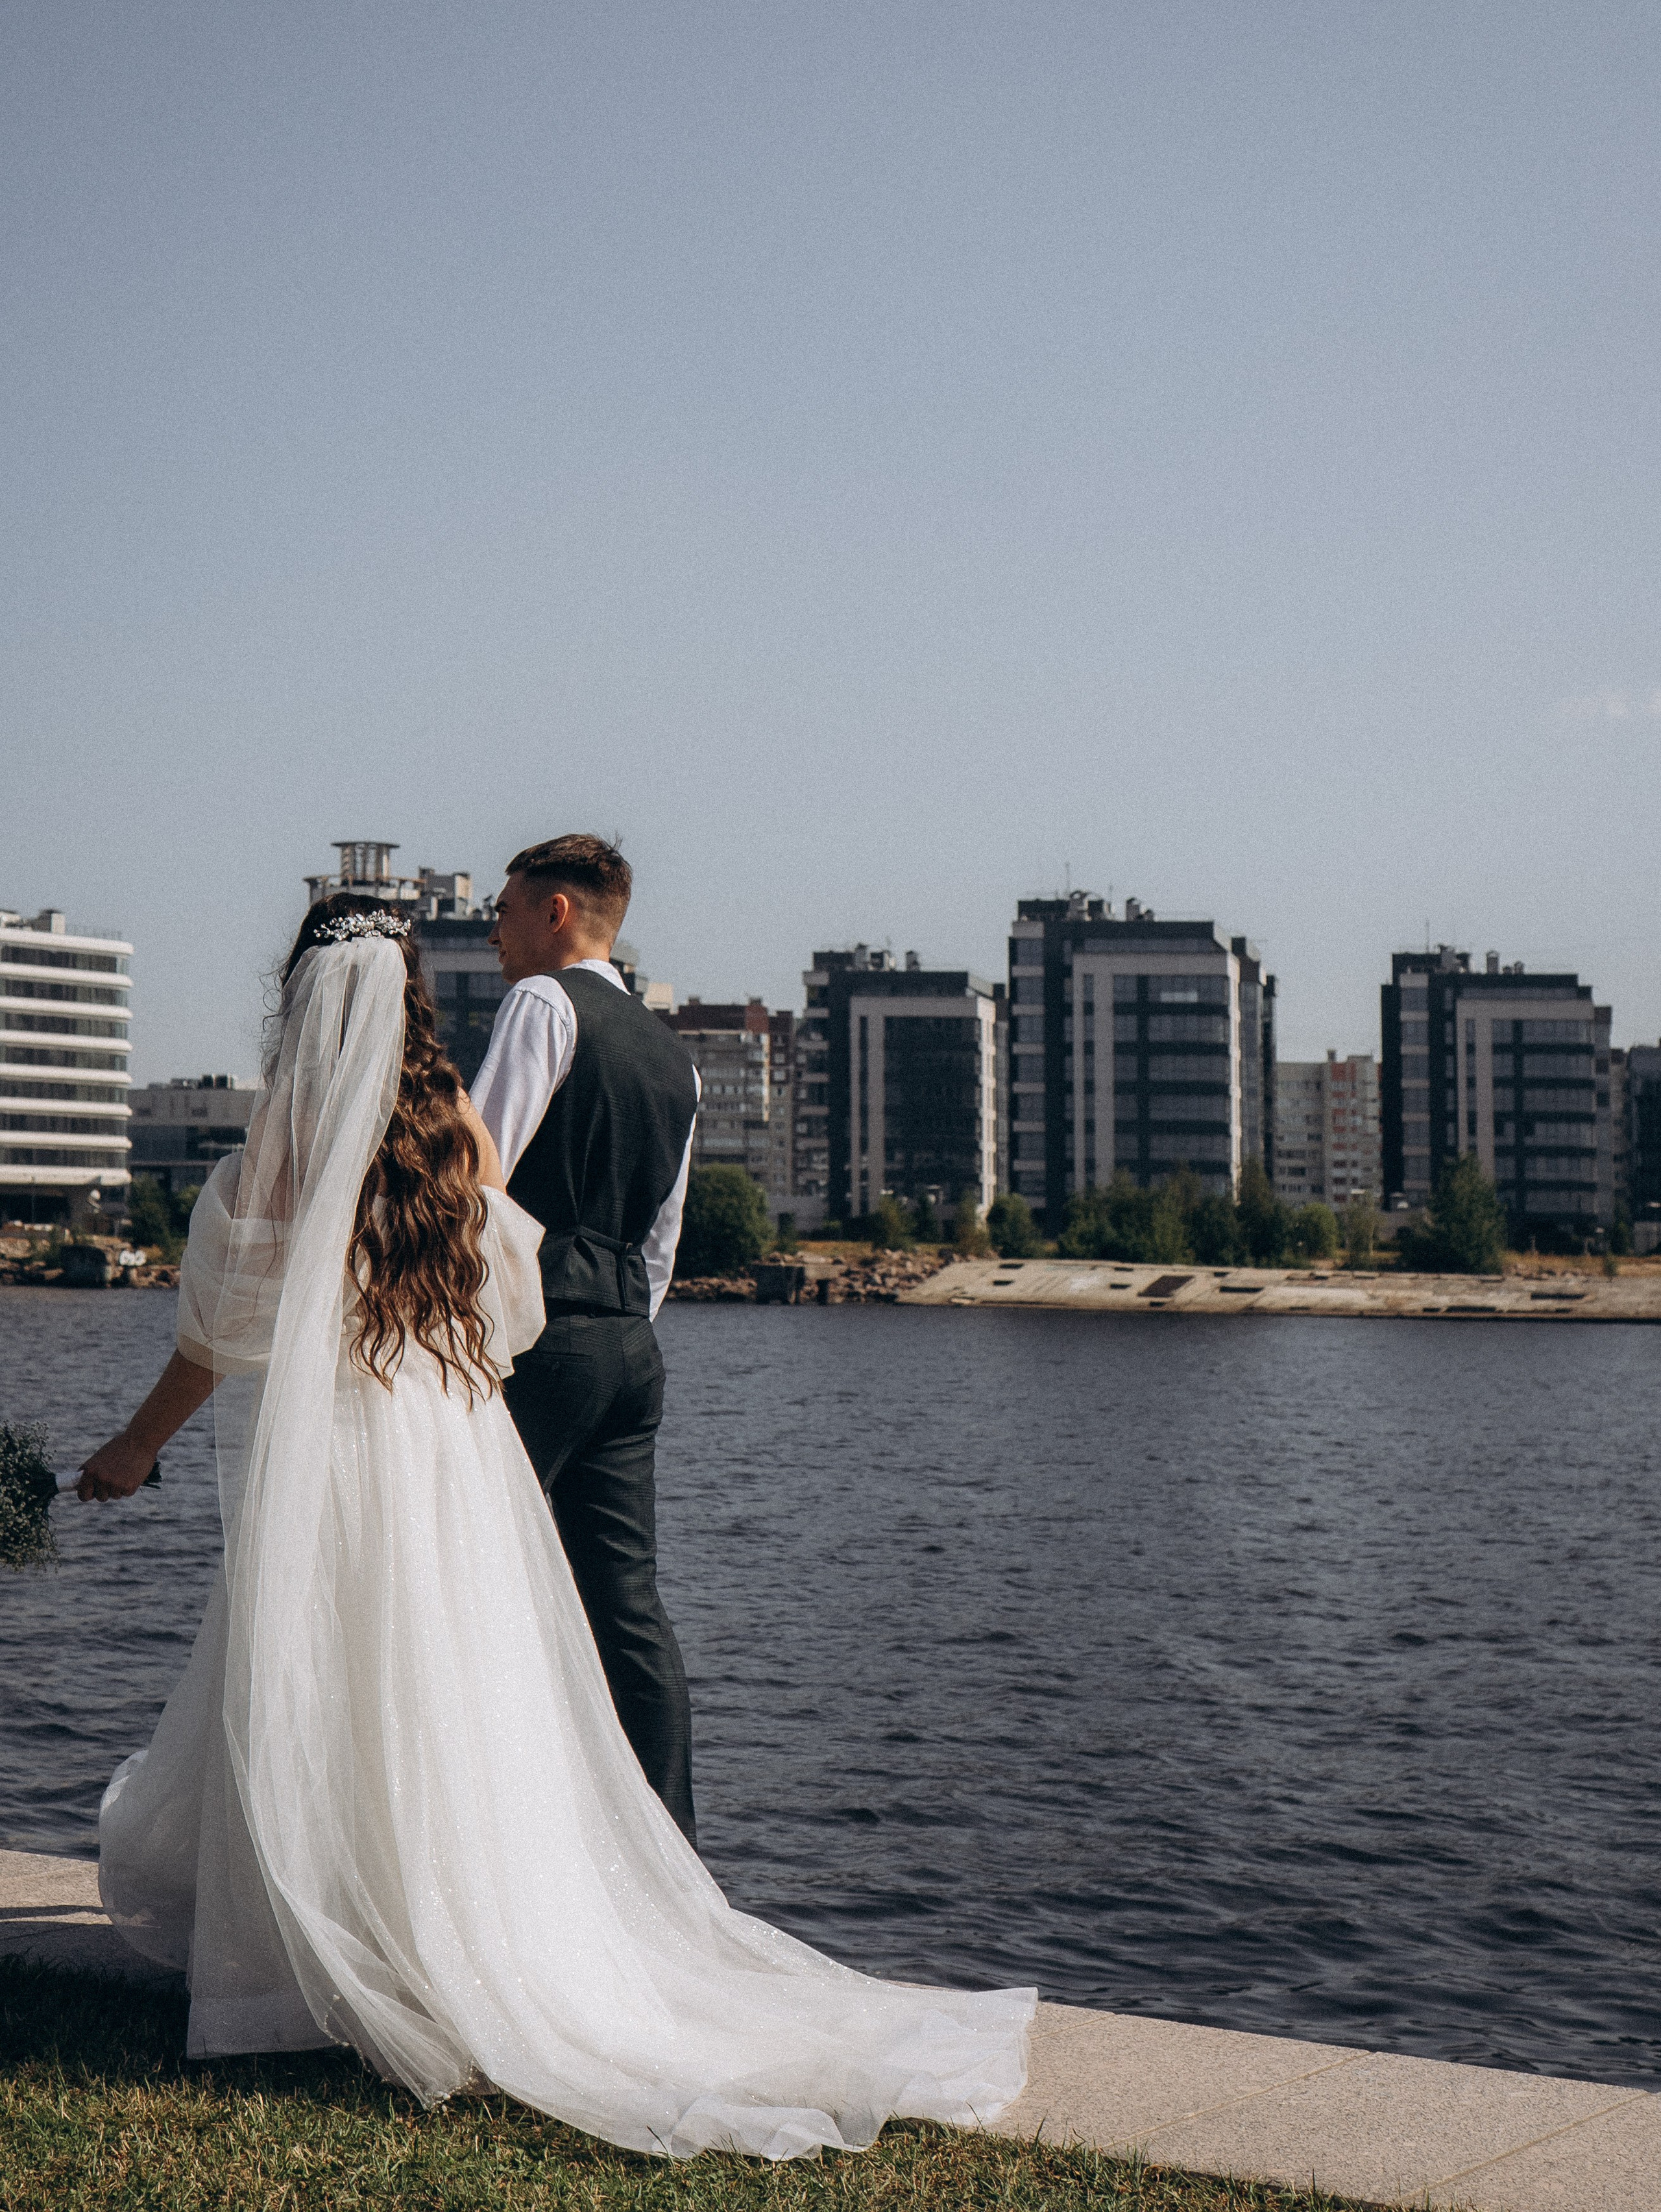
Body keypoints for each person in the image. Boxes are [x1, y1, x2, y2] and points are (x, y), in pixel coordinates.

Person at [80, 898, 1033, 2158]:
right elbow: (509, 1297)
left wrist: (135, 1445)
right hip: (446, 1443)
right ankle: (459, 1934)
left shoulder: (286, 1138)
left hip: (347, 1454)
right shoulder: (451, 1129)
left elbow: (215, 1333)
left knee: (327, 1679)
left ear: (301, 998)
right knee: (451, 1690)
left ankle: (332, 1956)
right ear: (413, 997)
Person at [470, 836, 699, 1843]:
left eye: (508, 909)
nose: (495, 929)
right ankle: (669, 1854)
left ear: (556, 913)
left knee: (468, 1576)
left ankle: (485, 1843)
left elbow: (478, 1172)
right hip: (627, 1353)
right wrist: (615, 1328)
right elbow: (662, 1241)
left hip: (538, 1334)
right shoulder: (672, 1054)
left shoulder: (543, 1004)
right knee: (627, 1609)